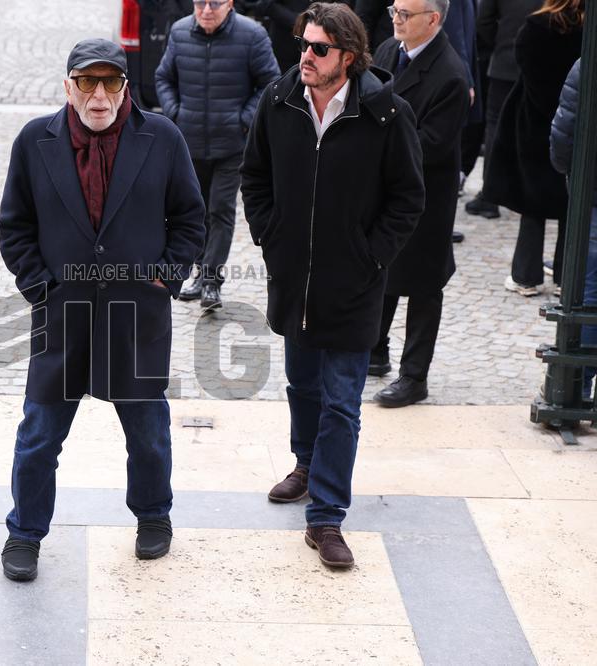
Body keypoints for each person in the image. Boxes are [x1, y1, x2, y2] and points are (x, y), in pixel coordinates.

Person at [0, 39, 205, 582]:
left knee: (148, 434)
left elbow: (190, 219)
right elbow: (14, 225)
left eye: (110, 82)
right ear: (68, 87)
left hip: (136, 318)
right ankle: (25, 532)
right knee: (39, 437)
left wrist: (164, 280)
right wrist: (40, 288)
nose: (99, 95)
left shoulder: (162, 138)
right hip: (61, 318)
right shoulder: (34, 141)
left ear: (125, 87)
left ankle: (153, 516)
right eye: (87, 82)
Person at [241, 2, 423, 568]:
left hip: (354, 286)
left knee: (342, 404)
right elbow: (254, 176)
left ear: (349, 55)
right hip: (294, 279)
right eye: (303, 44)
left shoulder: (386, 113)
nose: (306, 57)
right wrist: (271, 237)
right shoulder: (278, 101)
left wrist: (372, 257)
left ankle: (326, 517)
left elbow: (408, 198)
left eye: (319, 48)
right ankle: (305, 461)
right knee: (302, 386)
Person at [369, 0, 469, 407]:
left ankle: (414, 376)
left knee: (424, 283)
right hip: (384, 188)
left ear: (433, 19)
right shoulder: (387, 50)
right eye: (394, 9)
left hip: (427, 195)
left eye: (405, 14)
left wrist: (378, 147)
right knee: (381, 264)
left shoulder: (451, 75)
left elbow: (432, 145)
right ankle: (374, 349)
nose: (396, 19)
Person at [155, 0, 279, 311]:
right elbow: (163, 77)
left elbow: (270, 82)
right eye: (200, 2)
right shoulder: (179, 31)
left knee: (221, 209)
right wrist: (175, 113)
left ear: (230, 4)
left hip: (231, 145)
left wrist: (244, 120)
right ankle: (199, 273)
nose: (206, 10)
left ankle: (211, 280)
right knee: (195, 211)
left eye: (215, 3)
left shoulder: (252, 35)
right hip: (190, 143)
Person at [482, 0, 583, 296]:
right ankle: (566, 276)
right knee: (570, 203)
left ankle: (526, 275)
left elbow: (525, 64)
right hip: (575, 125)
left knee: (532, 203)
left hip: (533, 122)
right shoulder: (587, 31)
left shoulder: (536, 27)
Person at [465, 0, 541, 219]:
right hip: (538, 62)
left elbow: (484, 21)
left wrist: (499, 43)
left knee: (496, 128)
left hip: (505, 61)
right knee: (533, 128)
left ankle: (490, 196)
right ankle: (526, 192)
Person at [550, 58, 597, 392]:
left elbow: (564, 133)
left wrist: (572, 175)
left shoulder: (588, 62)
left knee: (590, 290)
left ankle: (577, 386)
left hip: (592, 194)